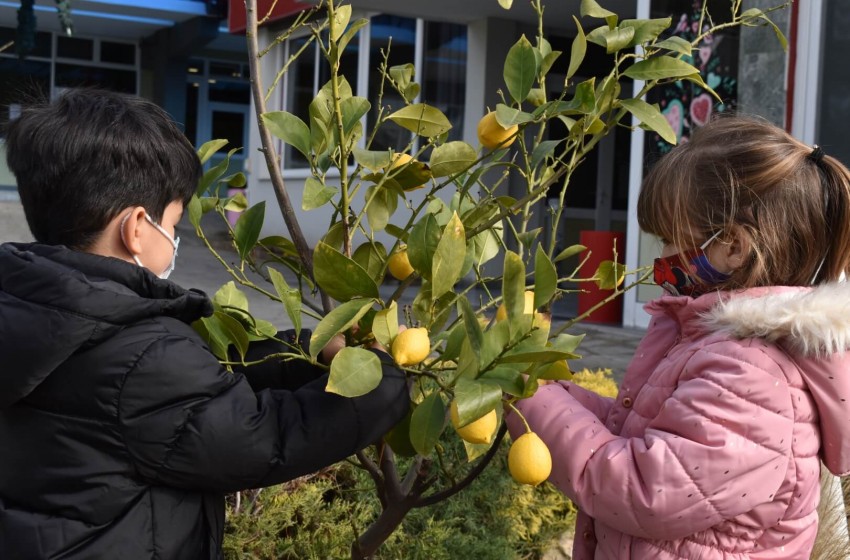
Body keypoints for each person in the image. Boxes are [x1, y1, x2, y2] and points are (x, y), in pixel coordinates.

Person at [0, 89, 409, 559]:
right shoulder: (142, 353)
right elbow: (263, 439)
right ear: (136, 228)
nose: (175, 237)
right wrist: (381, 380)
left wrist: (301, 352)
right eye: (173, 222)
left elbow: (186, 392)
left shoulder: (36, 307)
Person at [508, 115, 850, 559]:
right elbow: (643, 432)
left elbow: (643, 487)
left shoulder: (752, 375)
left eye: (671, 238)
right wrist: (540, 391)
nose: (663, 254)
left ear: (731, 245)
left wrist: (530, 404)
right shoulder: (721, 347)